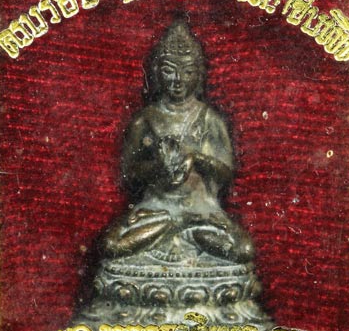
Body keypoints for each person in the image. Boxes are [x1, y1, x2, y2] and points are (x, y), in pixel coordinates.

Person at [104, 17, 254, 265]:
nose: (178, 79)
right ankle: (176, 228)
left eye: (187, 72)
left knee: (243, 250)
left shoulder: (209, 119)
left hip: (200, 210)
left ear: (199, 74)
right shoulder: (146, 119)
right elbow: (130, 173)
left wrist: (196, 159)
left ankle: (187, 231)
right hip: (157, 209)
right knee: (111, 246)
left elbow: (225, 173)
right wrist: (159, 167)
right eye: (169, 70)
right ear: (157, 73)